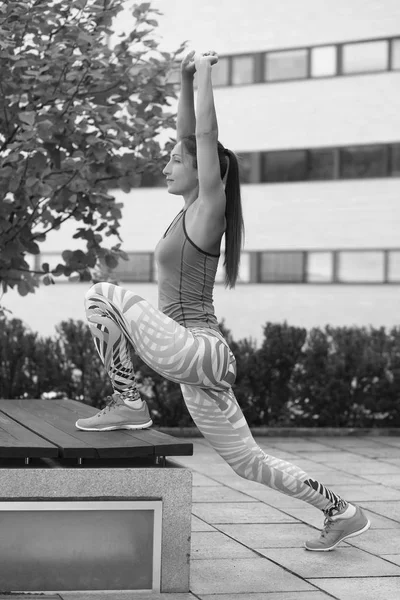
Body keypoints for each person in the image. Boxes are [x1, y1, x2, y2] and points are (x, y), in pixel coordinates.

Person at [75, 50, 371, 552]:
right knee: (248, 462)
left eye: (175, 160)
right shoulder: (188, 208)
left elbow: (205, 138)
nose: (166, 164)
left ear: (203, 174)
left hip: (198, 347)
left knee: (103, 294)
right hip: (197, 362)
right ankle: (341, 511)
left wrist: (208, 78)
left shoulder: (209, 210)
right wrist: (184, 79)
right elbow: (191, 135)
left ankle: (128, 401)